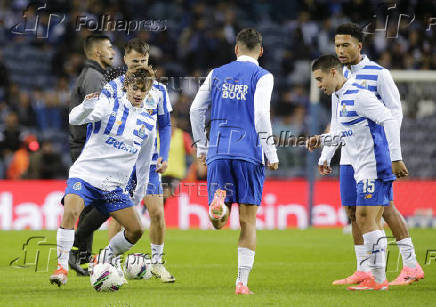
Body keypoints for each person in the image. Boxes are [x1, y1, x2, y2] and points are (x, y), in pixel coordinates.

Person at [313, 23, 423, 286]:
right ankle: (365, 269)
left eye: (345, 45)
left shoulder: (378, 74)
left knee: (384, 209)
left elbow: (393, 114)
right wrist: (327, 154)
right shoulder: (338, 77)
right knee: (354, 212)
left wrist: (394, 153)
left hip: (375, 153)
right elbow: (337, 121)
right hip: (351, 154)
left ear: (359, 46)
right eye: (337, 45)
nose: (340, 50)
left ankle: (409, 265)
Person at [70, 38, 175, 282]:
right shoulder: (113, 86)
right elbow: (95, 123)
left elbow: (165, 125)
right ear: (126, 60)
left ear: (148, 61)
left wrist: (164, 154)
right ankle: (112, 263)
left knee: (157, 212)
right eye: (134, 61)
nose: (139, 64)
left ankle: (157, 262)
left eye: (143, 61)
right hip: (119, 162)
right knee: (117, 215)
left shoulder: (157, 90)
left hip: (147, 161)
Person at [190, 28, 279, 295]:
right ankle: (241, 283)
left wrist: (202, 148)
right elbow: (262, 113)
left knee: (219, 223)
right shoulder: (263, 76)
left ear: (236, 49)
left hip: (218, 150)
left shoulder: (216, 73)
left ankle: (219, 206)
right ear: (261, 51)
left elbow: (195, 109)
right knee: (248, 221)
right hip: (248, 153)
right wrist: (271, 153)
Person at [49, 67, 156, 287]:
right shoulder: (109, 105)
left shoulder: (148, 123)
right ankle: (61, 268)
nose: (138, 93)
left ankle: (104, 258)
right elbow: (75, 118)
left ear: (148, 91)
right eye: (134, 87)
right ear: (126, 86)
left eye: (142, 90)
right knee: (70, 211)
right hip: (86, 176)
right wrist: (87, 106)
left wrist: (140, 192)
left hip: (114, 187)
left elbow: (144, 162)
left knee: (136, 230)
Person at [67, 34, 115, 275]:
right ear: (97, 52)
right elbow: (96, 116)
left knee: (91, 205)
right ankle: (75, 250)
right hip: (89, 150)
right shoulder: (95, 78)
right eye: (108, 48)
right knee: (106, 203)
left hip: (84, 147)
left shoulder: (91, 75)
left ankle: (80, 255)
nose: (113, 52)